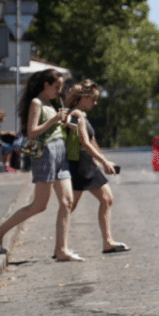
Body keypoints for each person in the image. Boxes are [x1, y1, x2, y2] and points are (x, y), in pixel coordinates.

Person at [0, 69, 81, 262]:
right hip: (46, 154)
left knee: (67, 202)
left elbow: (52, 128)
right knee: (39, 205)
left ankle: (61, 249)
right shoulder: (37, 103)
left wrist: (66, 124)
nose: (59, 91)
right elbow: (32, 132)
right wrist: (54, 120)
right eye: (57, 87)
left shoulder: (50, 103)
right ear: (46, 85)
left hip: (60, 151)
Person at [62, 80, 128, 254]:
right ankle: (60, 246)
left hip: (85, 163)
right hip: (80, 164)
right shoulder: (77, 114)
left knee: (105, 199)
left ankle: (107, 242)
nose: (96, 103)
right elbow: (84, 142)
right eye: (93, 99)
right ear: (83, 97)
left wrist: (102, 159)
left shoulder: (81, 114)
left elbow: (91, 140)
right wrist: (104, 162)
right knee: (69, 206)